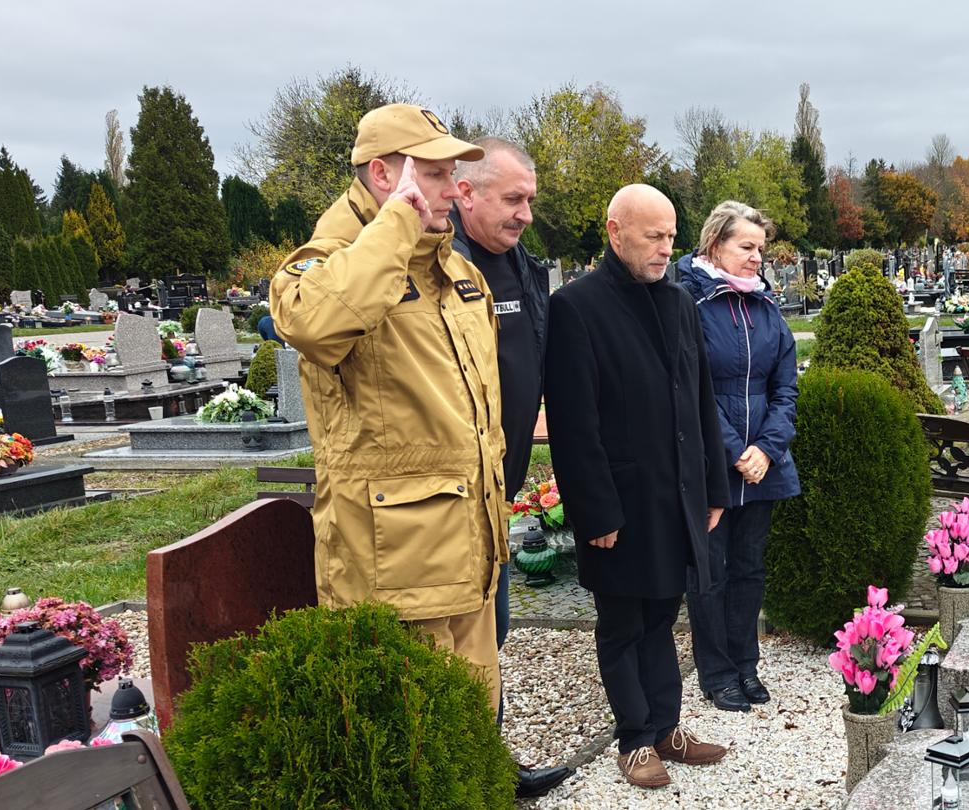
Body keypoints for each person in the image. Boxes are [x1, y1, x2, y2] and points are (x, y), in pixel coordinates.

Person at [270, 101, 510, 722]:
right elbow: (315, 322)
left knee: (472, 732)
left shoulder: (454, 270)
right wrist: (399, 222)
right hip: (395, 570)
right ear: (383, 175)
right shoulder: (321, 263)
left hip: (470, 550)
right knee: (413, 741)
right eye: (434, 175)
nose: (454, 191)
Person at [545, 184, 731, 789]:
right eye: (653, 236)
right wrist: (594, 512)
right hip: (621, 502)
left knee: (663, 615)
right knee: (623, 621)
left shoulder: (678, 303)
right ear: (614, 230)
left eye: (671, 236)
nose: (665, 247)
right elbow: (575, 423)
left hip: (675, 493)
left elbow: (699, 399)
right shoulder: (578, 306)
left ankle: (666, 726)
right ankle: (634, 739)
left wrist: (713, 488)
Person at [449, 137, 572, 797]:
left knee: (492, 633)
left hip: (503, 487)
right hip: (450, 494)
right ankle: (467, 769)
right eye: (513, 198)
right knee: (460, 643)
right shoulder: (444, 264)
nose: (526, 212)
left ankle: (486, 761)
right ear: (464, 192)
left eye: (530, 199)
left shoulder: (523, 268)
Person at [673, 202, 800, 713]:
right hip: (712, 465)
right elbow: (690, 388)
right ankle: (717, 672)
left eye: (760, 250)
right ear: (714, 245)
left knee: (749, 569)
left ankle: (746, 664)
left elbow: (784, 388)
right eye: (745, 247)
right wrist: (733, 451)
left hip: (763, 466)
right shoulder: (689, 303)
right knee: (709, 572)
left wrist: (766, 450)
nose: (755, 259)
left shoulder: (765, 307)